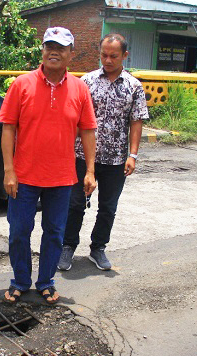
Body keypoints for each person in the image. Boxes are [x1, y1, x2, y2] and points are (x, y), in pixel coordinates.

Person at [0, 27, 97, 305]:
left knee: (54, 233)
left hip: (62, 178)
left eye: (61, 47)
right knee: (19, 231)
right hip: (24, 176)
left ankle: (46, 282)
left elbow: (88, 130)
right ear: (42, 50)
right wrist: (9, 170)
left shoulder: (80, 89)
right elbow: (8, 128)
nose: (54, 51)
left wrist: (89, 171)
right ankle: (19, 280)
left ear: (70, 54)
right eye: (49, 46)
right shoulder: (21, 84)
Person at [58, 33, 149, 272]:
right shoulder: (85, 82)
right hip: (80, 155)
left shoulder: (134, 86)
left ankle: (98, 247)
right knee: (75, 203)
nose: (107, 60)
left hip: (115, 159)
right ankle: (67, 246)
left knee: (108, 207)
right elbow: (72, 116)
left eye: (113, 56)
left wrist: (133, 154)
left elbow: (136, 121)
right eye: (104, 55)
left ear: (124, 56)